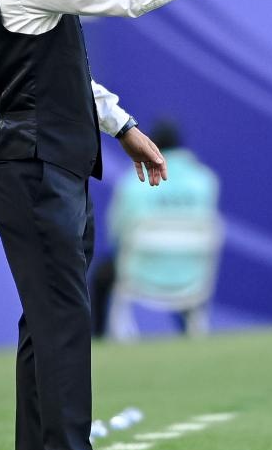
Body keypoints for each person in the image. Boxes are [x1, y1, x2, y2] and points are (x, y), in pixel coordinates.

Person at [0, 0, 272, 450]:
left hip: (43, 160)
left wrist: (122, 126)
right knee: (63, 315)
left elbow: (64, 74)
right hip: (37, 163)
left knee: (45, 317)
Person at [91, 120, 221, 337]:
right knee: (180, 271)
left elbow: (117, 233)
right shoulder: (206, 181)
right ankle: (190, 338)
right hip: (191, 277)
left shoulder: (132, 182)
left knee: (101, 276)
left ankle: (98, 339)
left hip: (139, 273)